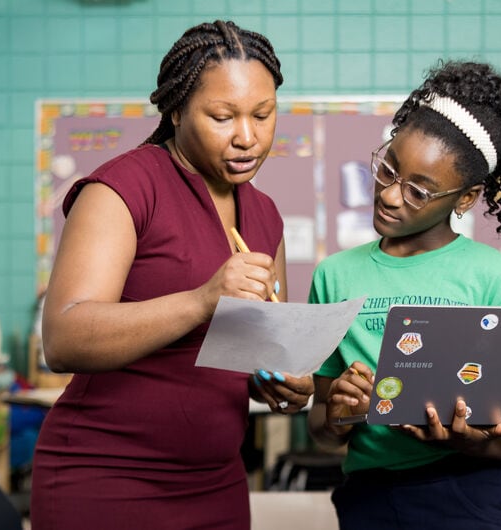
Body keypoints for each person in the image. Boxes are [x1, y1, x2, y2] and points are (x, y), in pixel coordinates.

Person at [30, 20, 314, 529]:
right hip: (105, 481)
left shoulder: (266, 215)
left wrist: (280, 382)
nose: (247, 137)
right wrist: (203, 299)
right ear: (177, 109)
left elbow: (258, 353)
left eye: (263, 115)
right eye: (222, 117)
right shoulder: (123, 189)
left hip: (218, 483)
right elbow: (63, 338)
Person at [306, 60, 501, 530]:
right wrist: (337, 413)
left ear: (464, 198)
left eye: (418, 191)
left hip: (471, 494)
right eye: (388, 169)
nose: (391, 196)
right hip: (370, 499)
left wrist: (473, 442)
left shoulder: (498, 281)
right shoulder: (334, 277)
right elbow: (322, 430)